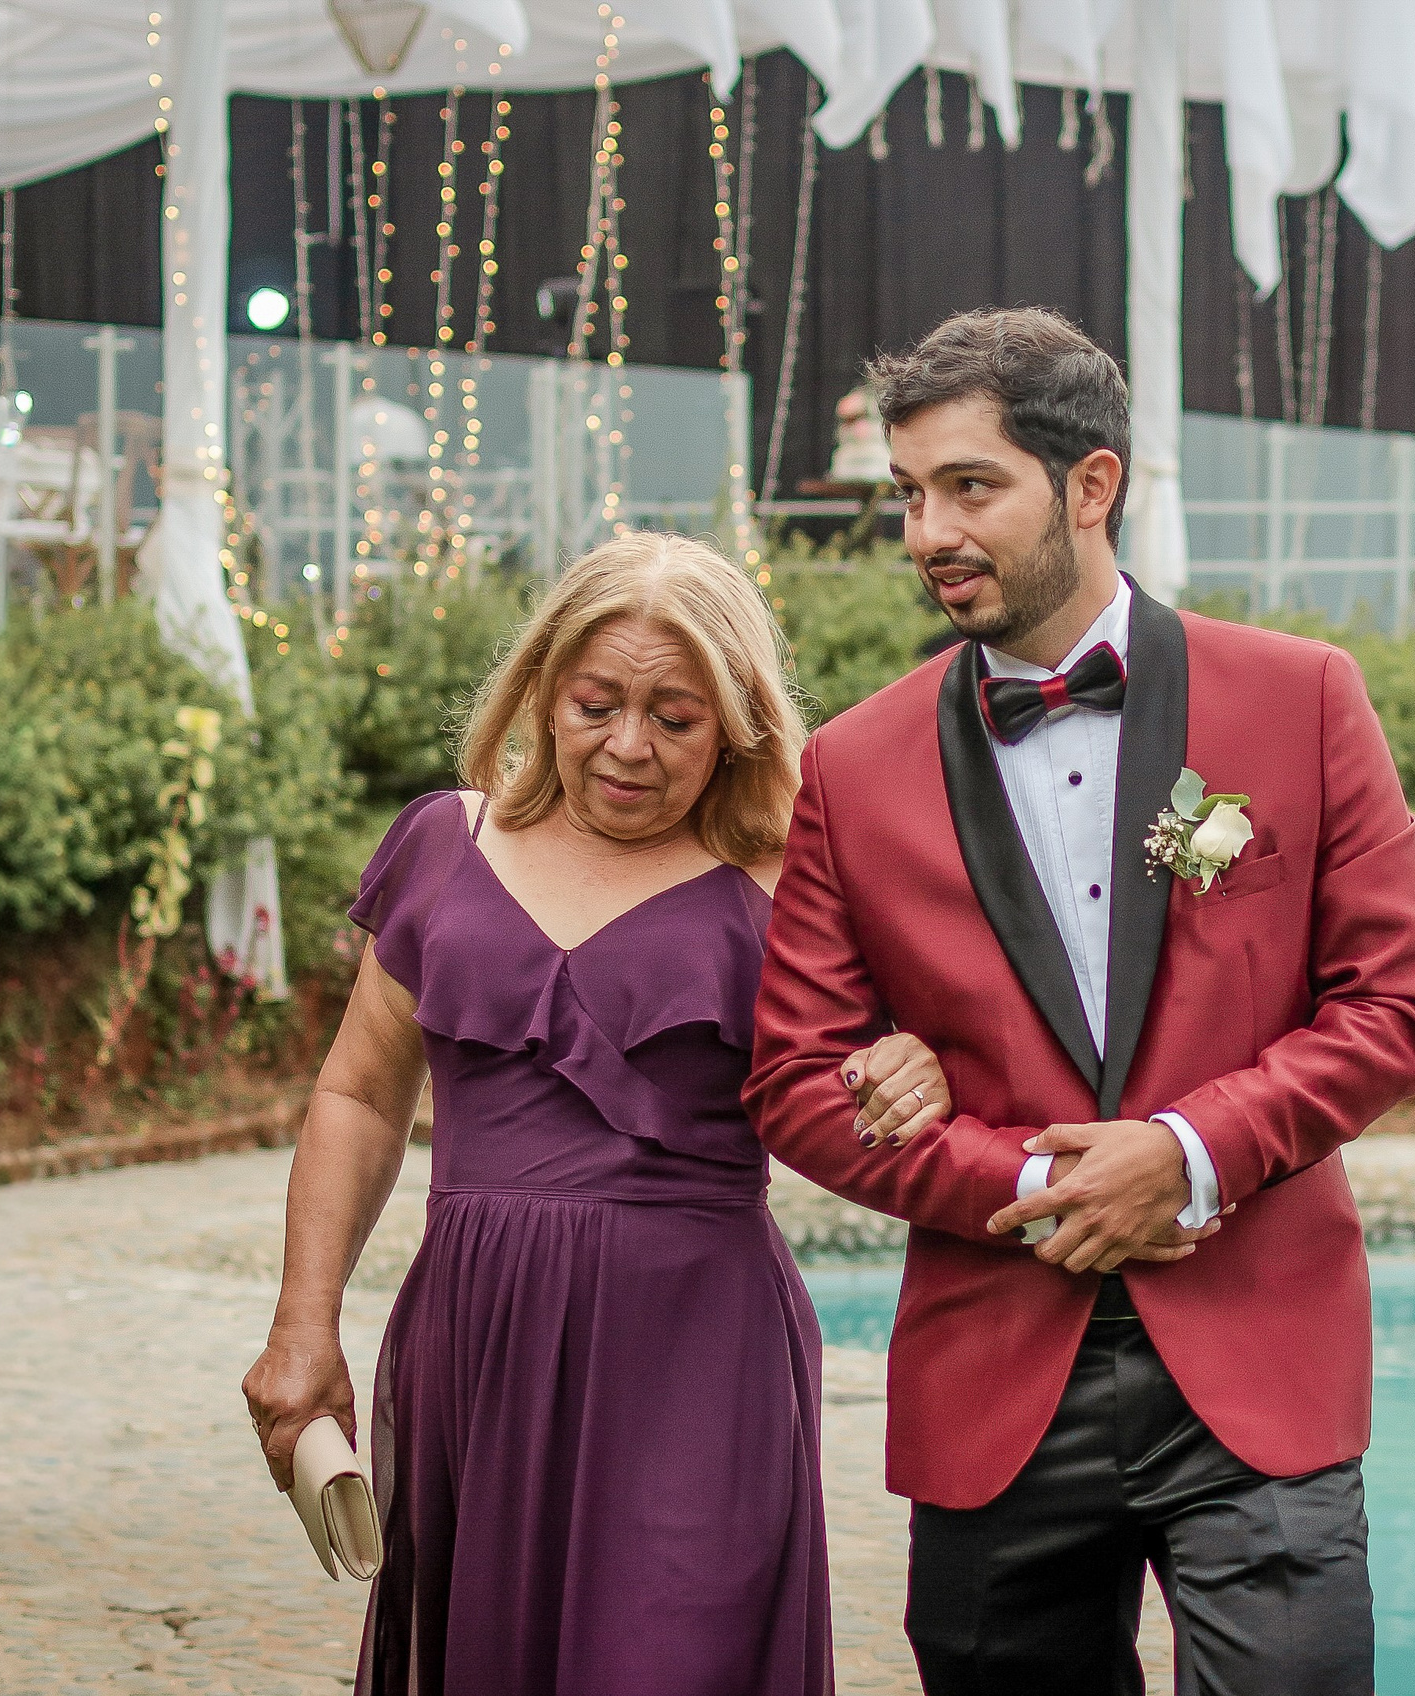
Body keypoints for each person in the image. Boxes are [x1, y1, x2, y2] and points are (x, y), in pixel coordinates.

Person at [745, 307, 1415, 1695]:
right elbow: (794, 1080)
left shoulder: (1303, 698)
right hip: (996, 1374)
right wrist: (1031, 1180)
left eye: (968, 486)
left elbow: (1399, 1004)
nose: (928, 532)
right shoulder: (850, 765)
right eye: (908, 494)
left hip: (1257, 1357)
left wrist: (1188, 1156)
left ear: (1090, 484)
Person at [241, 533, 947, 1696]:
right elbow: (360, 1094)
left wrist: (916, 1062)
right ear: (540, 690)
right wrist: (302, 1322)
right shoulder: (440, 845)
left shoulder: (789, 884)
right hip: (476, 1347)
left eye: (675, 717)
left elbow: (896, 1062)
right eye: (596, 703)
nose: (629, 745)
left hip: (697, 1359)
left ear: (735, 726)